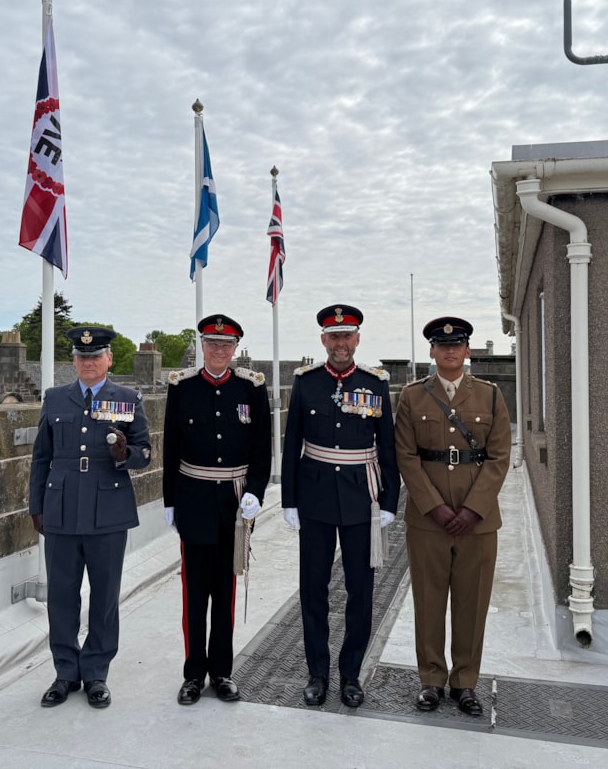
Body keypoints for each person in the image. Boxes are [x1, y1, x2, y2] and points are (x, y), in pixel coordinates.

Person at [281, 304, 399, 708]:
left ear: (358, 339)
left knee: (360, 591)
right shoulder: (306, 382)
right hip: (314, 497)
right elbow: (291, 440)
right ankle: (317, 673)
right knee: (313, 590)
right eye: (333, 337)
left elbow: (387, 446)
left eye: (347, 335)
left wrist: (389, 501)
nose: (341, 343)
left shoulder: (375, 383)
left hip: (358, 499)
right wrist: (289, 500)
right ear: (323, 341)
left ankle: (350, 674)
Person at [29, 325, 152, 710]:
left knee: (104, 596)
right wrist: (36, 505)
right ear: (73, 360)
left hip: (108, 510)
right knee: (61, 596)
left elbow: (145, 451)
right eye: (82, 357)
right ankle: (66, 671)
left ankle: (96, 672)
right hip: (61, 509)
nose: (88, 362)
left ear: (109, 359)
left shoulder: (127, 398)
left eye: (96, 356)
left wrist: (126, 457)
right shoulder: (55, 398)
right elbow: (41, 457)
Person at [393, 316, 511, 716]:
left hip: (478, 521)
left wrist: (473, 508)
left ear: (467, 350)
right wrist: (436, 507)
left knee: (471, 602)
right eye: (442, 345)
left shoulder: (491, 396)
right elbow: (406, 457)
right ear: (432, 351)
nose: (449, 350)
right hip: (429, 520)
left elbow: (499, 457)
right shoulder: (412, 397)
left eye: (457, 344)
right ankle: (431, 679)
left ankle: (465, 682)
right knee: (428, 601)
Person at [163, 314, 272, 705]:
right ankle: (193, 674)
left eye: (227, 345)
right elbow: (171, 448)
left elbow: (262, 446)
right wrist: (170, 501)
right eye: (212, 343)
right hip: (193, 498)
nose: (220, 350)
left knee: (225, 591)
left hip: (234, 502)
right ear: (202, 346)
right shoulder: (183, 388)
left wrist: (255, 492)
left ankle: (221, 671)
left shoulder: (252, 388)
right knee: (195, 593)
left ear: (236, 348)